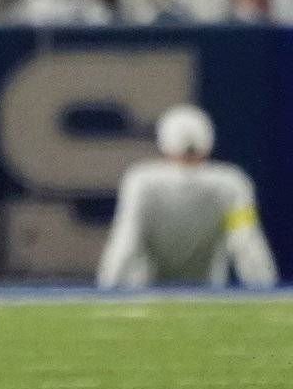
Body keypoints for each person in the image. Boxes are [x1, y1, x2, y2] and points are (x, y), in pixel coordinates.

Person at [97, 103, 278, 288]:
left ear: (164, 142)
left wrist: (107, 290)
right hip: (208, 297)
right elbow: (246, 242)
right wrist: (266, 292)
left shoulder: (142, 182)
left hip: (147, 297)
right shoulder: (232, 184)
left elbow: (126, 240)